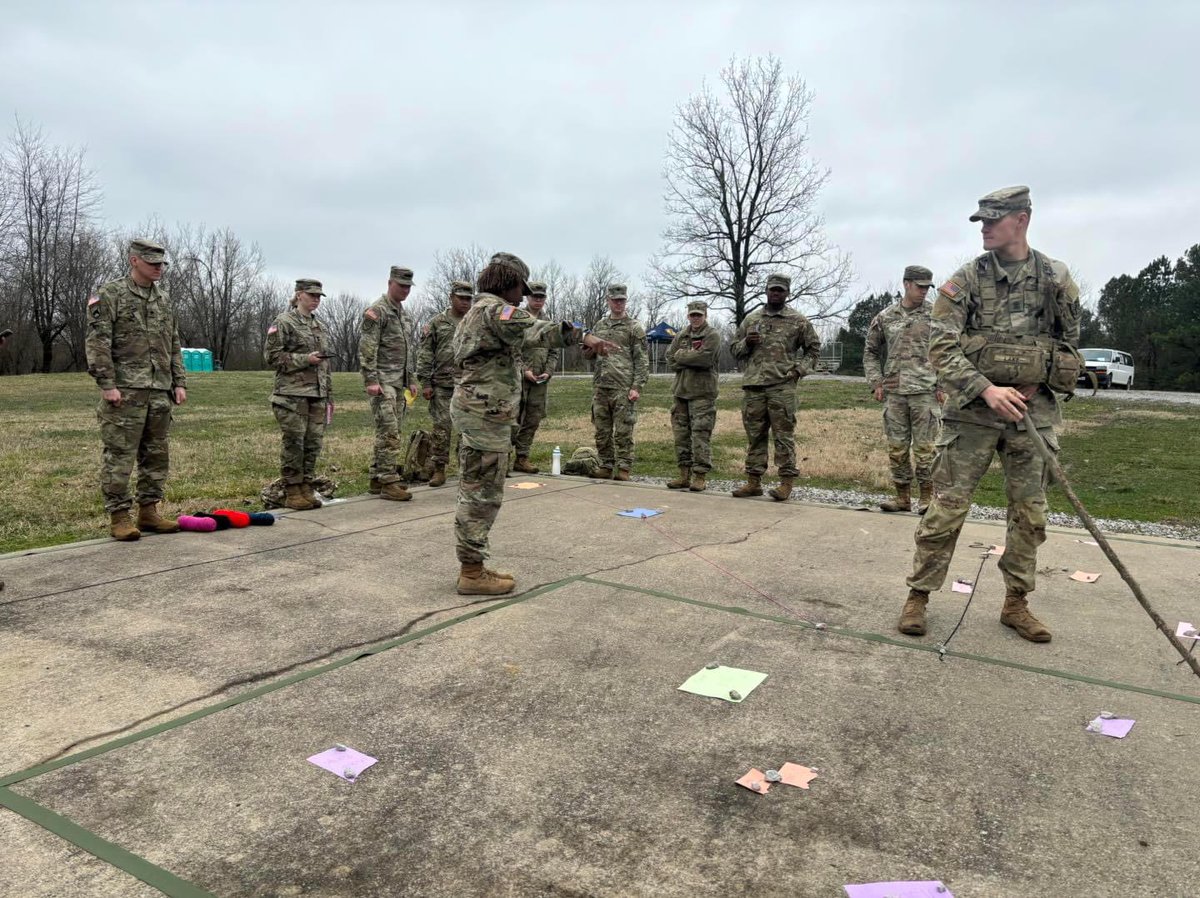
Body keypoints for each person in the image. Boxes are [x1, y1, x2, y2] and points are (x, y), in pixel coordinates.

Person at [899, 186, 1081, 644]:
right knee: (946, 508)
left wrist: (1038, 379)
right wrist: (987, 389)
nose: (983, 228)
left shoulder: (1056, 277)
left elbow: (1069, 342)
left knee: (1029, 512)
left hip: (1032, 412)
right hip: (972, 413)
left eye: (992, 220)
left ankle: (1016, 603)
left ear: (1021, 220)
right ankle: (918, 595)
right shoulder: (966, 280)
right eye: (980, 221)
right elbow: (939, 345)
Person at [452, 252, 616, 596]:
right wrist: (584, 336)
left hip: (477, 410)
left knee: (476, 488)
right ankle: (471, 571)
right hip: (486, 415)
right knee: (481, 493)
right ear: (508, 283)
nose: (523, 297)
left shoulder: (475, 312)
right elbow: (536, 329)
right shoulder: (497, 310)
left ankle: (474, 565)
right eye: (520, 289)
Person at [85, 238, 187, 540]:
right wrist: (107, 384)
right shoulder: (110, 294)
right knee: (120, 454)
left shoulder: (163, 299)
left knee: (156, 454)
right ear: (134, 261)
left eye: (161, 264)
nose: (159, 269)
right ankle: (119, 516)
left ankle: (149, 511)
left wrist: (178, 381)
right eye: (153, 263)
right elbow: (97, 342)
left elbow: (174, 343)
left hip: (159, 389)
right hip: (125, 390)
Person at [729, 273, 821, 501]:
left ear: (787, 293)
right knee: (755, 436)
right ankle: (753, 481)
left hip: (781, 386)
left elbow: (813, 349)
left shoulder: (797, 321)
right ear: (766, 290)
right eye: (772, 289)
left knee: (783, 436)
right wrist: (746, 343)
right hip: (754, 386)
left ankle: (786, 483)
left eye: (780, 290)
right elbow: (734, 349)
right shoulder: (751, 319)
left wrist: (799, 370)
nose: (775, 293)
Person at [864, 265, 945, 514]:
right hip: (895, 393)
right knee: (897, 449)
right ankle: (902, 498)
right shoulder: (886, 316)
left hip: (925, 392)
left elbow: (948, 351)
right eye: (920, 287)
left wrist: (942, 385)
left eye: (927, 287)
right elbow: (871, 351)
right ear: (906, 284)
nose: (924, 292)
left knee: (926, 450)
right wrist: (876, 382)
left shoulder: (936, 315)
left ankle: (927, 499)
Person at [264, 279, 333, 511]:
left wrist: (327, 393)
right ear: (299, 295)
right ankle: (292, 489)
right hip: (291, 394)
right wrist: (305, 359)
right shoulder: (284, 322)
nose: (315, 300)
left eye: (318, 296)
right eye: (311, 295)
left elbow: (324, 364)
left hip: (317, 394)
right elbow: (272, 357)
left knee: (313, 442)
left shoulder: (319, 326)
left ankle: (306, 486)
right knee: (295, 441)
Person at [360, 266, 420, 501]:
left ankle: (377, 478)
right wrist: (371, 380)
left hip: (398, 382)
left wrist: (411, 379)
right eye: (401, 285)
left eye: (408, 287)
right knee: (389, 432)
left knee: (392, 430)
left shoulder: (403, 314)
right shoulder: (377, 311)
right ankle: (388, 480)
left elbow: (408, 350)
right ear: (389, 283)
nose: (405, 290)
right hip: (382, 381)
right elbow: (367, 348)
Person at [584, 284, 648, 480]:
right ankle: (605, 465)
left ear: (626, 301)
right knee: (602, 430)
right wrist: (588, 350)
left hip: (623, 386)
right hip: (602, 386)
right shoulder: (600, 326)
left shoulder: (634, 327)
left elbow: (642, 359)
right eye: (615, 300)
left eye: (622, 300)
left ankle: (623, 468)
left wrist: (637, 386)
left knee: (623, 431)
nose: (618, 303)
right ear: (608, 301)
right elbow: (591, 356)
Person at [417, 279, 473, 487]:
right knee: (442, 429)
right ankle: (439, 469)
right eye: (461, 298)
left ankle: (466, 469)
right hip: (442, 384)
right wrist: (425, 382)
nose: (465, 303)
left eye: (468, 299)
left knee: (467, 430)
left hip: (468, 384)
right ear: (451, 298)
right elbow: (425, 353)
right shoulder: (437, 323)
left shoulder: (474, 322)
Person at [666, 300, 722, 492]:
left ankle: (699, 476)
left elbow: (705, 359)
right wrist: (688, 357)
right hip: (681, 393)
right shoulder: (681, 335)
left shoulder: (712, 335)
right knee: (681, 436)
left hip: (702, 394)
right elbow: (669, 359)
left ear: (705, 315)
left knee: (700, 435)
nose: (696, 318)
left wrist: (682, 356)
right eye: (693, 315)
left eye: (699, 315)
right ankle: (683, 474)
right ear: (688, 316)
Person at [510, 280, 561, 473]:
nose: (538, 300)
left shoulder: (548, 323)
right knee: (512, 419)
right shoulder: (518, 319)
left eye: (541, 297)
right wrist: (525, 370)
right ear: (528, 297)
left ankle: (522, 457)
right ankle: (504, 458)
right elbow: (512, 350)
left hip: (540, 380)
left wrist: (548, 371)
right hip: (517, 379)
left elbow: (554, 351)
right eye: (534, 296)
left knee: (533, 419)